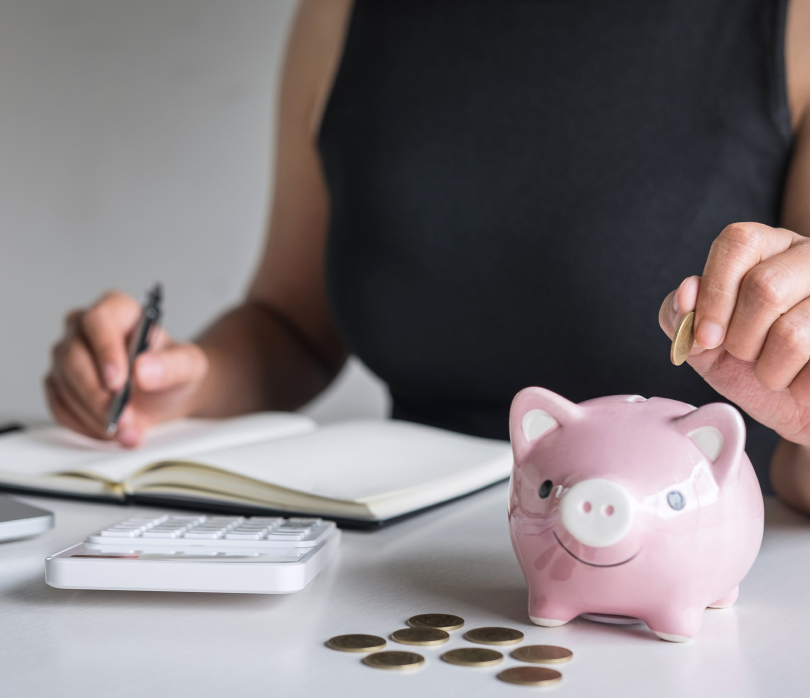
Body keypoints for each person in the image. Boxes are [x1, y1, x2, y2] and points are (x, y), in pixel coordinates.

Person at [46, 0, 810, 515]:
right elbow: (292, 323)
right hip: (393, 556)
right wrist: (182, 381)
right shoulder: (342, 15)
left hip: (698, 566)